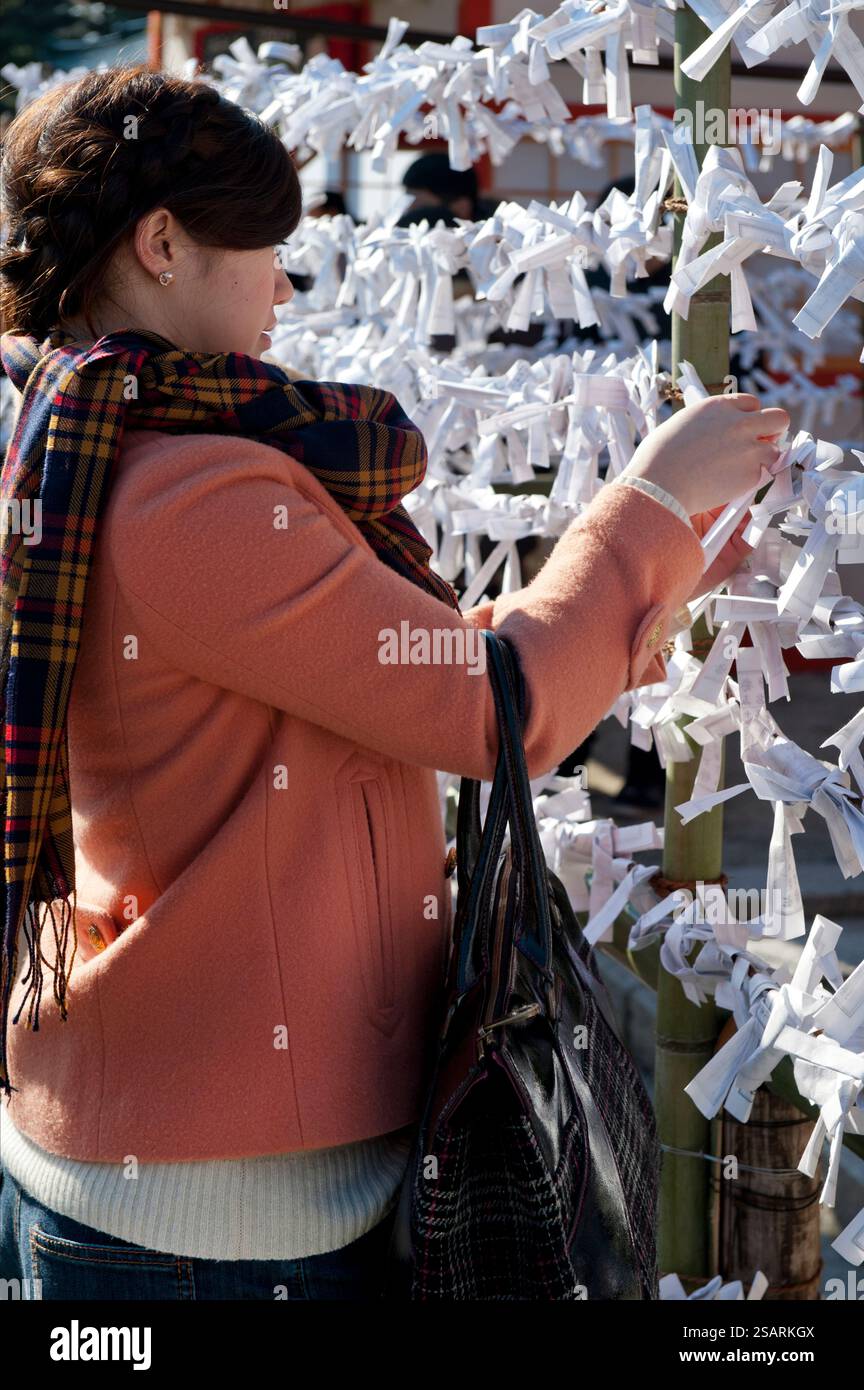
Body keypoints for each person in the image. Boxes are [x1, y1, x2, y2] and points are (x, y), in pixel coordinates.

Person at [0, 64, 787, 1302]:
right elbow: (477, 700)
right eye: (263, 244)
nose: (284, 281)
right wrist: (649, 503)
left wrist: (632, 596)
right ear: (161, 244)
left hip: (170, 1172)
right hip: (211, 1220)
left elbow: (363, 662)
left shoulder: (84, 447)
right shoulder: (189, 495)